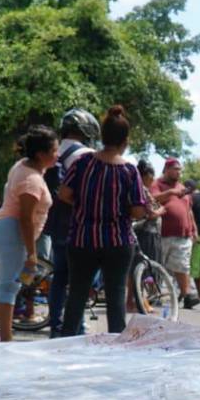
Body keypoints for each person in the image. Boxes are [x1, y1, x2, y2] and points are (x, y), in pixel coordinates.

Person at [58, 105, 147, 337]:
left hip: (81, 239)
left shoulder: (83, 163)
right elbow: (138, 211)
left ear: (102, 137)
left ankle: (65, 345)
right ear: (125, 141)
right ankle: (114, 352)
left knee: (76, 296)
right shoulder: (129, 171)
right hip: (117, 242)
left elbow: (64, 194)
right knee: (116, 299)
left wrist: (84, 204)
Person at [0, 126, 58, 342]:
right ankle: (7, 339)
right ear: (41, 155)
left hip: (0, 230)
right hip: (12, 233)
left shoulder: (23, 166)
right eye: (54, 151)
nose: (57, 155)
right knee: (10, 286)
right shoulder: (32, 180)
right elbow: (25, 219)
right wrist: (31, 253)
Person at [44, 108, 100, 338]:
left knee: (59, 276)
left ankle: (57, 327)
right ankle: (77, 326)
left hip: (57, 222)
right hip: (79, 224)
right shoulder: (86, 153)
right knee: (82, 278)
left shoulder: (53, 152)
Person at [151, 158, 199, 308]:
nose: (178, 172)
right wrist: (170, 192)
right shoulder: (157, 184)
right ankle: (153, 295)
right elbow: (151, 199)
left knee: (182, 266)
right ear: (166, 169)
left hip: (182, 235)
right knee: (157, 266)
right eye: (175, 169)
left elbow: (188, 210)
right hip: (162, 233)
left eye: (180, 169)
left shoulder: (183, 188)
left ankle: (187, 296)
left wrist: (194, 229)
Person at [135, 158, 163, 265]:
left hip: (143, 233)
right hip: (148, 234)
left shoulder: (137, 188)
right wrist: (162, 210)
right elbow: (152, 214)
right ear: (147, 176)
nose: (153, 179)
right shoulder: (143, 190)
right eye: (152, 175)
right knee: (149, 266)